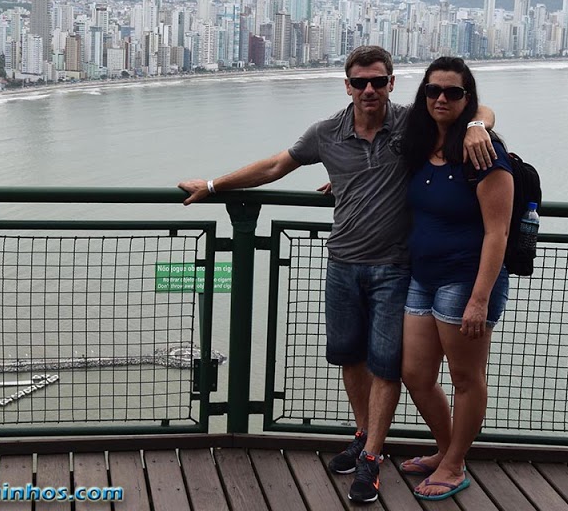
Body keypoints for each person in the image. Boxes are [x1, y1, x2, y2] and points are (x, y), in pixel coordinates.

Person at [178, 46, 496, 504]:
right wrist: (212, 186)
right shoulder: (326, 133)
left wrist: (477, 124)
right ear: (347, 86)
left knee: (387, 365)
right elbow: (274, 165)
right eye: (361, 82)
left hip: (395, 267)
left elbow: (472, 106)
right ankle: (365, 435)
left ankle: (371, 457)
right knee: (349, 357)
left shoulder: (411, 123)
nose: (370, 89)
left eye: (379, 81)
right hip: (342, 263)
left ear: (391, 84)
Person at [397, 57, 513, 502]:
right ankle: (448, 449)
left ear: (469, 99)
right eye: (433, 91)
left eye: (453, 92)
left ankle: (455, 461)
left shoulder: (483, 153)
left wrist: (480, 299)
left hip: (465, 281)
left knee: (466, 377)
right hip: (423, 276)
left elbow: (497, 232)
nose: (441, 99)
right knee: (415, 373)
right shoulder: (420, 143)